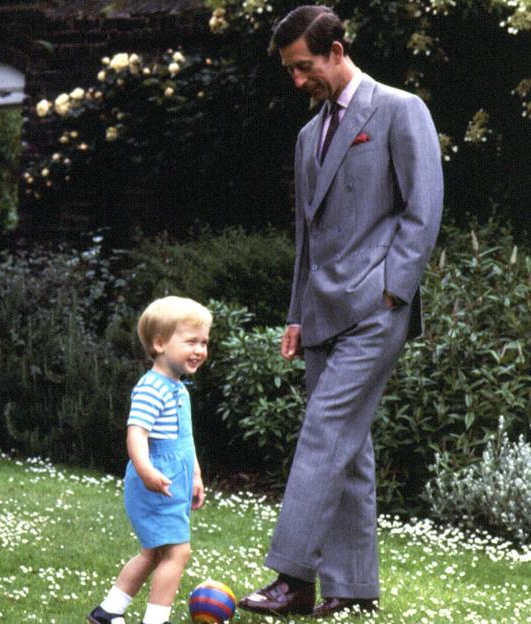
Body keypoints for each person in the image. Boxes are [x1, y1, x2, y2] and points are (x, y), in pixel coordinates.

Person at [238, 5, 443, 619]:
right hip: (321, 314)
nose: (298, 80)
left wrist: (393, 290)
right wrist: (297, 314)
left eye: (305, 67)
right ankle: (351, 589)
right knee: (348, 449)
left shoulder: (401, 110)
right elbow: (308, 236)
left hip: (377, 309)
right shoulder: (308, 135)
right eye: (290, 71)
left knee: (324, 433)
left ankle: (293, 578)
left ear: (336, 50)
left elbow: (423, 207)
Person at [88, 296, 212, 624]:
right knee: (177, 552)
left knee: (154, 553)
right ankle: (156, 620)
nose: (200, 350)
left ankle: (108, 611)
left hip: (175, 480)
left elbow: (185, 441)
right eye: (191, 341)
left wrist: (196, 476)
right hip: (156, 481)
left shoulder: (178, 389)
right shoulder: (151, 388)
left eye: (204, 342)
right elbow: (137, 433)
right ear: (159, 343)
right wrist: (146, 471)